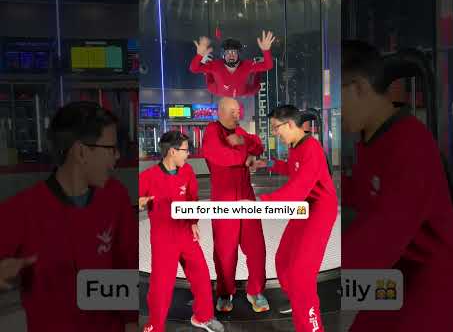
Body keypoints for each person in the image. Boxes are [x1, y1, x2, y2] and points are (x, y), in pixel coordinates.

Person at [341, 40, 453, 331]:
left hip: (435, 282)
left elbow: (380, 233)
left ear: (359, 88)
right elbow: (363, 192)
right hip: (398, 273)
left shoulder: (410, 145)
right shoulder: (370, 140)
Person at [0, 101, 138, 332]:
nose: (116, 157)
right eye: (110, 149)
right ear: (82, 151)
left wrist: (131, 321)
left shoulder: (115, 196)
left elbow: (126, 260)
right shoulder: (22, 210)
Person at [251, 105, 338, 332]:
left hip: (319, 210)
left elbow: (297, 190)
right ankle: (299, 300)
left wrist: (262, 202)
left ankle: (311, 325)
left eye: (276, 128)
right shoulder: (295, 146)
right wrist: (267, 163)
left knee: (302, 274)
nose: (275, 133)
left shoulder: (312, 147)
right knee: (283, 260)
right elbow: (293, 169)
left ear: (289, 124)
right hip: (304, 208)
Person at [140, 131, 224, 332]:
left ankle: (203, 317)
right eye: (186, 150)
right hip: (164, 238)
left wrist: (194, 221)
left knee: (202, 276)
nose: (188, 154)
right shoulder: (147, 177)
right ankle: (154, 326)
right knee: (161, 287)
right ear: (172, 151)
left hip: (186, 233)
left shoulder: (187, 172)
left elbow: (193, 199)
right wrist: (142, 201)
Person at [202, 97, 269, 313]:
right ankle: (224, 292)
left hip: (246, 198)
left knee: (257, 247)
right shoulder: (212, 132)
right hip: (224, 200)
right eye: (231, 111)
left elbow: (258, 144)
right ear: (220, 112)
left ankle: (255, 290)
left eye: (237, 111)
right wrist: (247, 157)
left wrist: (243, 143)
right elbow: (221, 156)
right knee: (225, 251)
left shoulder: (240, 133)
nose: (236, 115)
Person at [189, 31, 275, 97]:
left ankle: (257, 70)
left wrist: (266, 50)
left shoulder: (246, 65)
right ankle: (207, 63)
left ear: (238, 54)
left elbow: (268, 66)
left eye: (234, 52)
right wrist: (199, 55)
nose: (231, 55)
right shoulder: (216, 65)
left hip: (243, 91)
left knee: (256, 88)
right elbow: (194, 69)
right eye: (228, 52)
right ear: (223, 54)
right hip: (218, 90)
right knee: (209, 79)